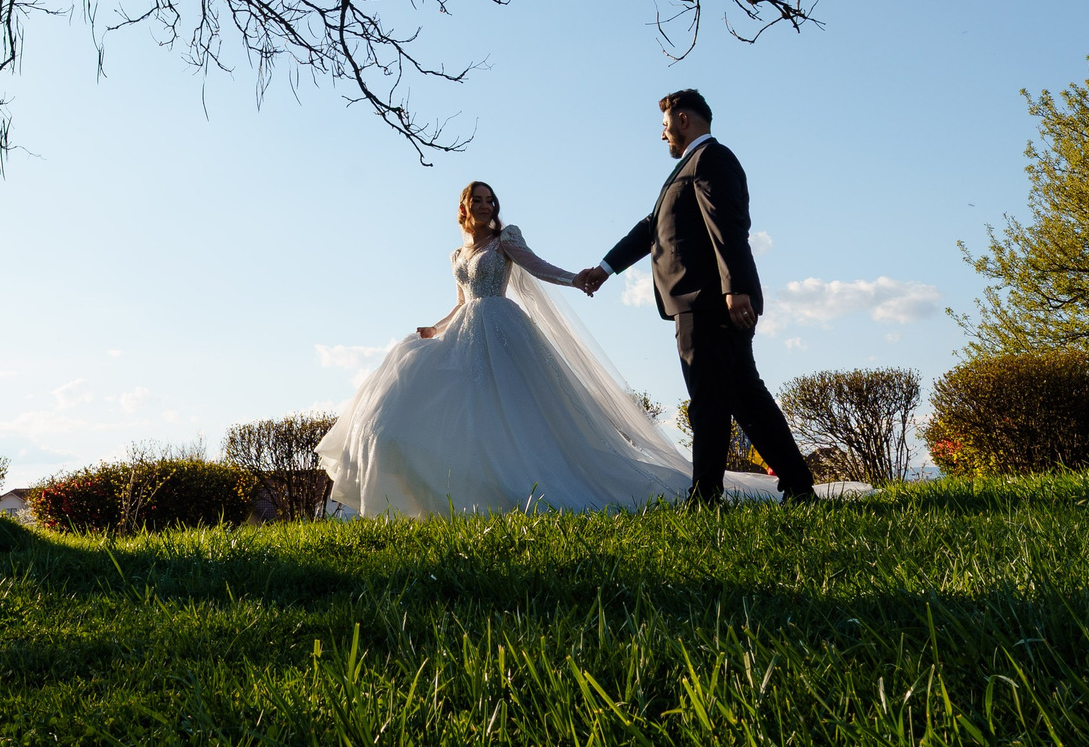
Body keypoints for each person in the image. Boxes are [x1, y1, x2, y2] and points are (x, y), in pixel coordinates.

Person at [314, 180, 848, 516]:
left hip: (501, 330)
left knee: (516, 415)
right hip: (465, 330)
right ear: (464, 207)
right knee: (432, 399)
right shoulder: (457, 253)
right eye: (478, 199)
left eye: (491, 199)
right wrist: (435, 328)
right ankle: (461, 493)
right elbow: (460, 300)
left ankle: (532, 482)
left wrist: (578, 278)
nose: (486, 205)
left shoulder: (506, 240)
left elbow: (537, 267)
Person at [574, 88, 817, 503]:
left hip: (707, 301)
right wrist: (606, 268)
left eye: (665, 125)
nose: (662, 134)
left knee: (709, 400)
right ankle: (798, 486)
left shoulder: (711, 159)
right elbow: (651, 227)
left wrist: (734, 287)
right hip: (707, 301)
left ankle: (706, 495)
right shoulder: (689, 168)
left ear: (683, 119)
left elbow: (727, 225)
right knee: (745, 398)